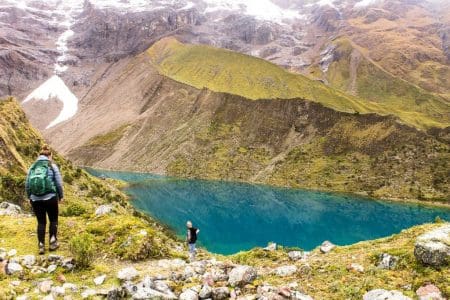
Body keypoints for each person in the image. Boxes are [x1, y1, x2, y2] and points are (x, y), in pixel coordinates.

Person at [25, 145, 64, 254]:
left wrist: (29, 197)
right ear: (50, 156)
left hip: (35, 199)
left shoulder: (32, 167)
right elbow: (59, 184)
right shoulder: (52, 166)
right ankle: (53, 242)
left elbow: (27, 184)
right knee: (53, 220)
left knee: (41, 222)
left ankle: (41, 245)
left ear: (39, 155)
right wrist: (61, 196)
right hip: (50, 198)